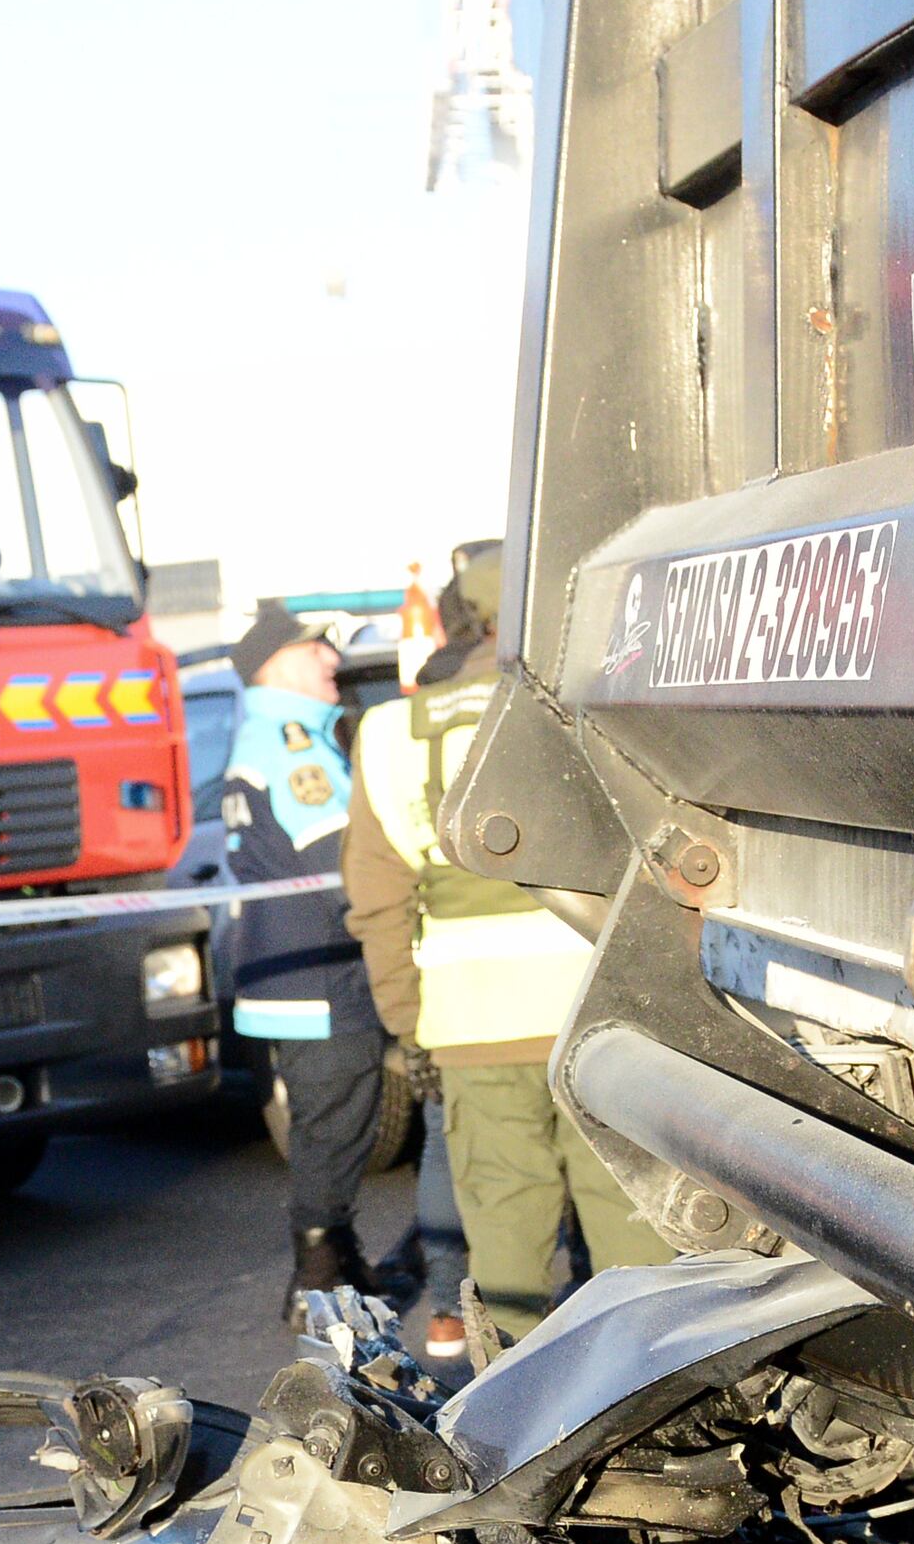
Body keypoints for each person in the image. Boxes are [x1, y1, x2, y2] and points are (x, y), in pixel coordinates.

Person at [349, 539, 659, 1355]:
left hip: (474, 1029)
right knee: (636, 1233)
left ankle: (520, 1436)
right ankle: (662, 1404)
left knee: (508, 1245)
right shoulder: (586, 701)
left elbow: (379, 904)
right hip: (604, 1014)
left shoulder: (390, 732)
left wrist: (409, 1026)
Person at [219, 616, 388, 1305]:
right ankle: (317, 1277)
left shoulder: (283, 733)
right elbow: (338, 860)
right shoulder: (293, 744)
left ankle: (336, 1257)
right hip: (318, 974)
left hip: (293, 967)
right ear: (275, 664)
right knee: (336, 1121)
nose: (332, 657)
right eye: (315, 647)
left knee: (336, 1119)